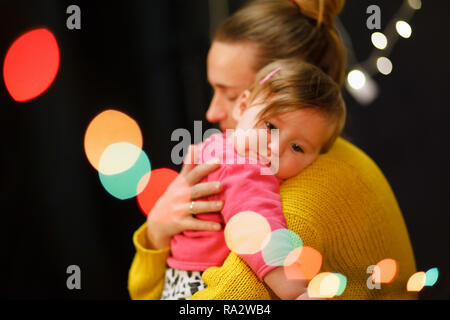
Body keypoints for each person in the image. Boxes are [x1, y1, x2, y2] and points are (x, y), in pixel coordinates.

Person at [128, 0, 417, 299]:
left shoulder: (305, 196)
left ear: (289, 82)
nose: (212, 112)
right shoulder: (260, 160)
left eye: (228, 93)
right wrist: (157, 232)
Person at [160, 58, 346, 300]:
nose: (275, 149)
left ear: (315, 160)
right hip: (198, 283)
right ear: (242, 106)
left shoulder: (219, 146)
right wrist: (294, 292)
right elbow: (257, 227)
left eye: (297, 147)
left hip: (179, 277)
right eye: (270, 126)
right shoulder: (242, 167)